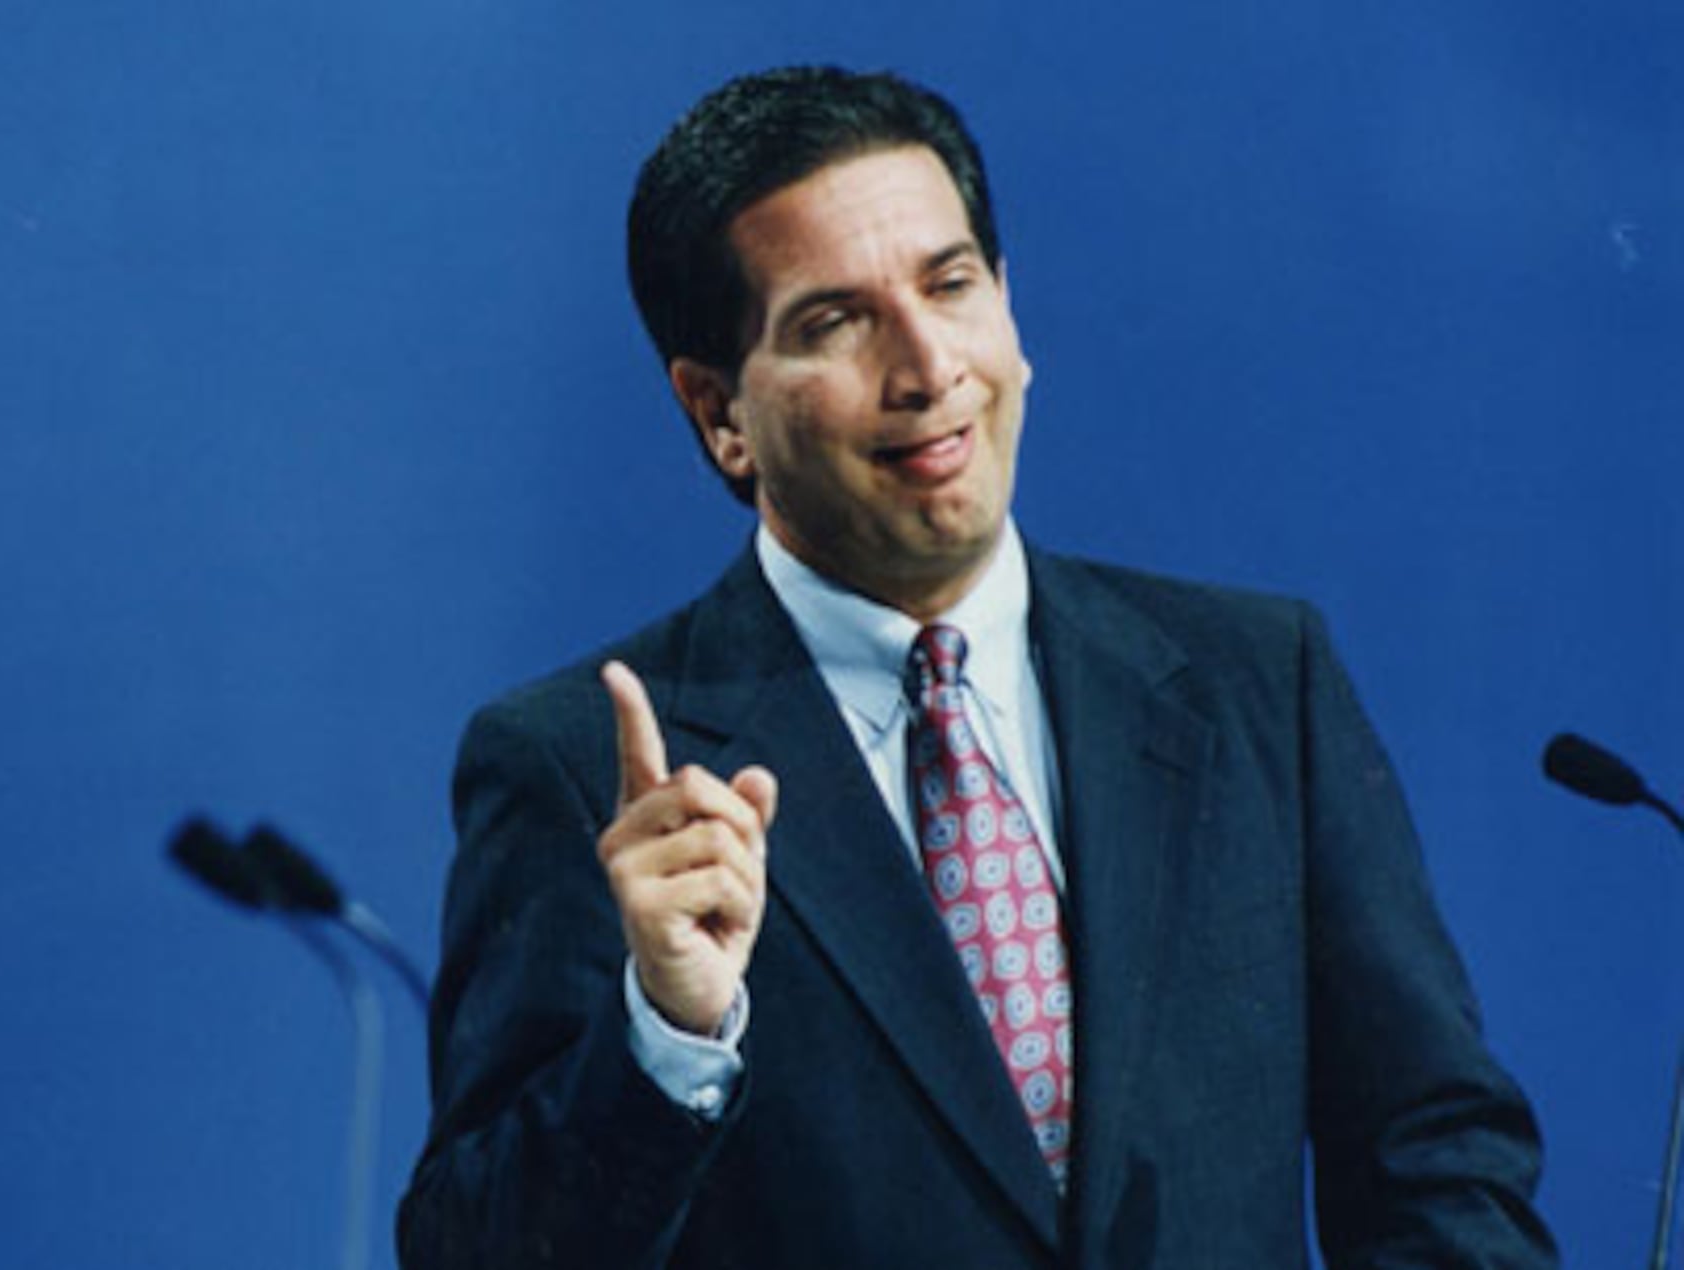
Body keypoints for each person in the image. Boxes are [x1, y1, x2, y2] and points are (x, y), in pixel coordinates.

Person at [398, 66, 1555, 1267]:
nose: (925, 366)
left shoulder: (1261, 682)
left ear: (1007, 306)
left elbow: (1441, 1165)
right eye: (834, 321)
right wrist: (667, 1035)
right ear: (718, 414)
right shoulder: (586, 769)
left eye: (949, 286)